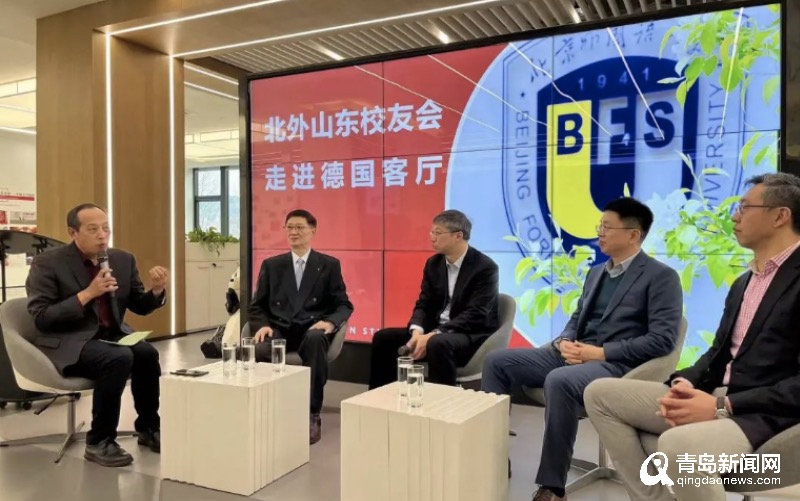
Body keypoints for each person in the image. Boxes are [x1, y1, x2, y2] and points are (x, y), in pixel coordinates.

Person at [584, 173, 800, 501]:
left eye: (744, 208)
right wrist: (685, 382)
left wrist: (722, 405)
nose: (734, 217)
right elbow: (718, 354)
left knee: (676, 445)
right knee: (600, 393)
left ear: (780, 216)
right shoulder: (744, 282)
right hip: (715, 395)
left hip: (764, 414)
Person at [481, 197, 683, 501]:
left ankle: (552, 486)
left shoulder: (662, 277)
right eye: (599, 226)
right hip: (574, 354)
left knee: (559, 380)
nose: (599, 232)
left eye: (607, 227)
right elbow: (577, 317)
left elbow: (662, 340)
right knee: (497, 361)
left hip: (615, 364)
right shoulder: (597, 272)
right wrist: (565, 340)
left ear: (633, 235)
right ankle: (493, 459)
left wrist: (599, 353)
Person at [25, 203, 168, 468]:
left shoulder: (122, 259)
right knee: (118, 358)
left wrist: (157, 292)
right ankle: (99, 440)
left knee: (146, 354)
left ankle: (149, 428)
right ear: (73, 232)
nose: (102, 235)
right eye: (93, 229)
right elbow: (42, 317)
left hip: (111, 336)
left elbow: (139, 305)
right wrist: (88, 293)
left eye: (106, 228)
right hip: (67, 341)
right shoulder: (48, 263)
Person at [248, 209, 353, 445]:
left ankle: (311, 413)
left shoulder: (328, 265)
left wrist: (329, 323)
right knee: (260, 348)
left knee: (316, 340)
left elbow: (343, 304)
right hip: (279, 329)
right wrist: (262, 325)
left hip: (310, 329)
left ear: (312, 231)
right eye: (289, 227)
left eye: (299, 227)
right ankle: (264, 408)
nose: (293, 232)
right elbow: (257, 306)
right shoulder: (272, 265)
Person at [368, 209, 499, 389]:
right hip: (435, 331)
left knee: (438, 343)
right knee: (384, 338)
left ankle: (442, 404)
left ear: (458, 236)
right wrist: (417, 331)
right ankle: (380, 399)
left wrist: (434, 334)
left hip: (469, 334)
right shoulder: (434, 264)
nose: (432, 237)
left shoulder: (485, 267)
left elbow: (477, 314)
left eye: (437, 233)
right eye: (431, 232)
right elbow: (425, 303)